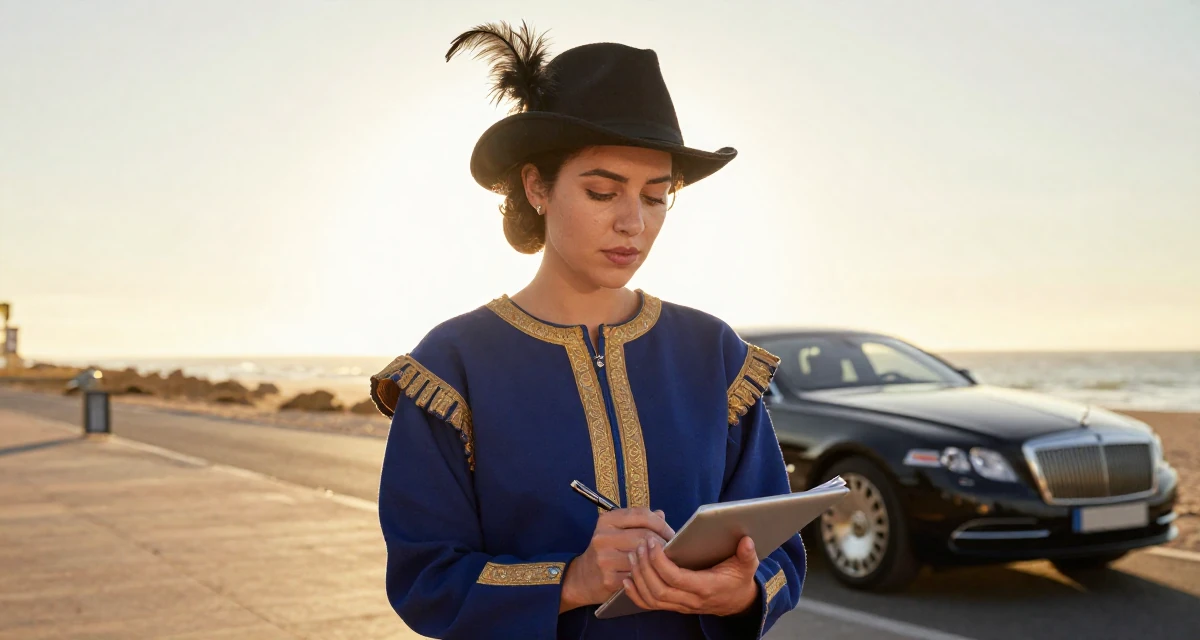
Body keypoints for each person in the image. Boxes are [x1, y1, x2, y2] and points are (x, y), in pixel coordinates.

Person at [373, 21, 805, 640]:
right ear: (536, 187)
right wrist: (573, 579)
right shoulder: (451, 365)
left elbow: (778, 552)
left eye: (657, 198)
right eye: (603, 192)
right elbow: (423, 580)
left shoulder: (714, 354)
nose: (634, 223)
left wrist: (742, 591)